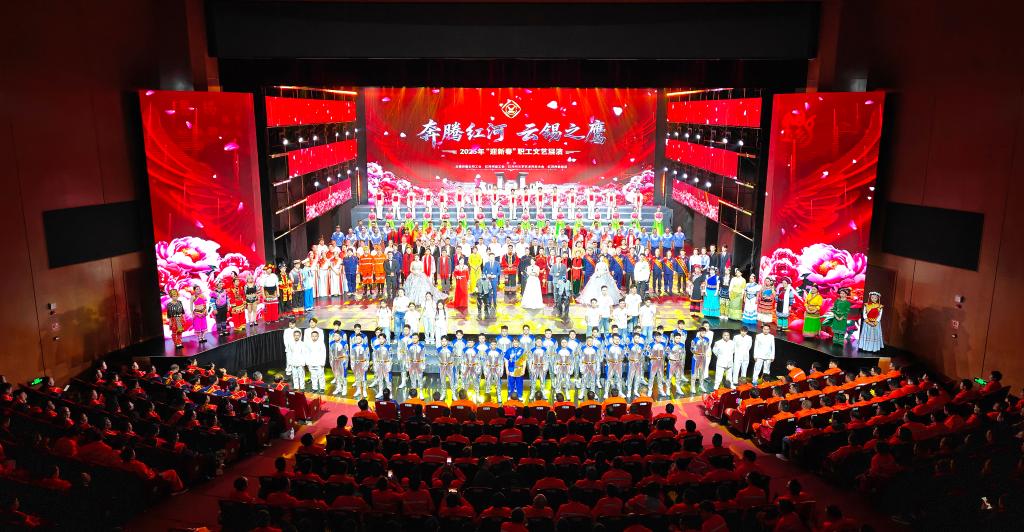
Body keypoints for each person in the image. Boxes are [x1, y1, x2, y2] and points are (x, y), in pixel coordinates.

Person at [306, 329, 327, 393]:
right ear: (311, 336)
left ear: (318, 336)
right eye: (313, 336)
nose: (314, 337)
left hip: (319, 362)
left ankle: (322, 388)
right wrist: (307, 362)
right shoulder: (308, 343)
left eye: (315, 336)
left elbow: (323, 353)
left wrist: (323, 362)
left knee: (321, 376)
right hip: (311, 362)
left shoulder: (321, 343)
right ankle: (314, 388)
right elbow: (307, 353)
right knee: (313, 376)